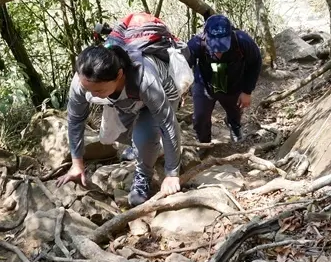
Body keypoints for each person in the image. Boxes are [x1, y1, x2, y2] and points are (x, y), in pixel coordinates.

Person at [55, 44, 182, 206]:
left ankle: (143, 175)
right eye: (87, 89)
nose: (91, 95)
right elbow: (75, 120)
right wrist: (76, 164)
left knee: (144, 138)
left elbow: (168, 123)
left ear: (119, 75)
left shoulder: (144, 80)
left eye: (98, 91)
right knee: (115, 135)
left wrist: (172, 173)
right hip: (124, 99)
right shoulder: (82, 82)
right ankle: (146, 149)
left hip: (160, 94)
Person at [187, 14, 262, 143]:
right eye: (214, 47)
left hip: (233, 82)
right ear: (205, 36)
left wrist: (247, 91)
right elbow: (184, 62)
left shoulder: (242, 41)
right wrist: (184, 85)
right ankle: (204, 142)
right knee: (200, 116)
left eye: (222, 47)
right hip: (205, 82)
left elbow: (256, 62)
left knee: (234, 110)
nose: (218, 52)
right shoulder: (197, 43)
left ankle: (234, 126)